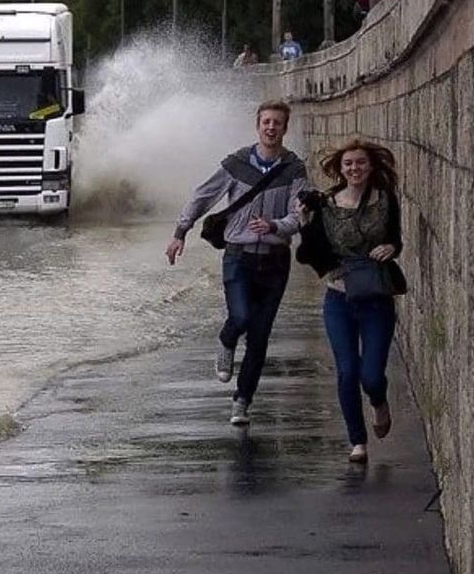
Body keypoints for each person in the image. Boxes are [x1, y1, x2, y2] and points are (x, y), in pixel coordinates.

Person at [165, 100, 307, 425]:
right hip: (238, 256)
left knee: (259, 336)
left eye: (278, 123)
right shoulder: (237, 163)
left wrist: (275, 226)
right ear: (258, 125)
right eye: (266, 122)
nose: (271, 128)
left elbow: (299, 215)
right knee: (240, 317)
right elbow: (203, 195)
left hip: (275, 261)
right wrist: (179, 232)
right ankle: (227, 340)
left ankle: (242, 401)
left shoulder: (294, 169)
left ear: (285, 129)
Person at [296, 140, 403, 464]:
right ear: (340, 169)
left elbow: (395, 238)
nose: (354, 169)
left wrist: (392, 249)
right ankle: (358, 441)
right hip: (339, 300)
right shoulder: (326, 203)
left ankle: (379, 401)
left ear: (370, 167)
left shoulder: (385, 200)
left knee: (370, 375)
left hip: (375, 299)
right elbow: (311, 253)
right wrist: (304, 223)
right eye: (348, 164)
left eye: (360, 163)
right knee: (347, 371)